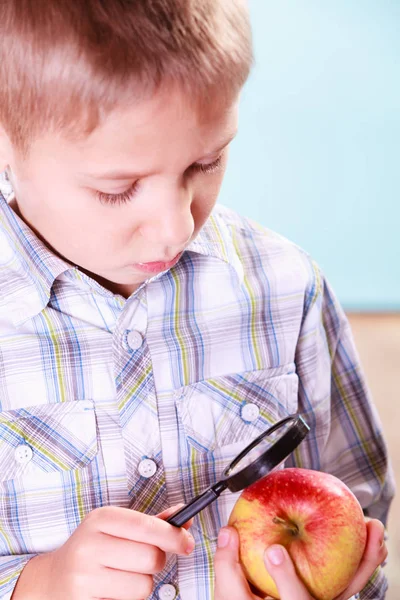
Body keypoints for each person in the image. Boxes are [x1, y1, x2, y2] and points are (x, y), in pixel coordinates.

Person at [0, 1, 394, 599]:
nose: (175, 226)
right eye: (118, 188)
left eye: (205, 163)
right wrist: (39, 585)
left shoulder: (284, 288)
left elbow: (358, 512)